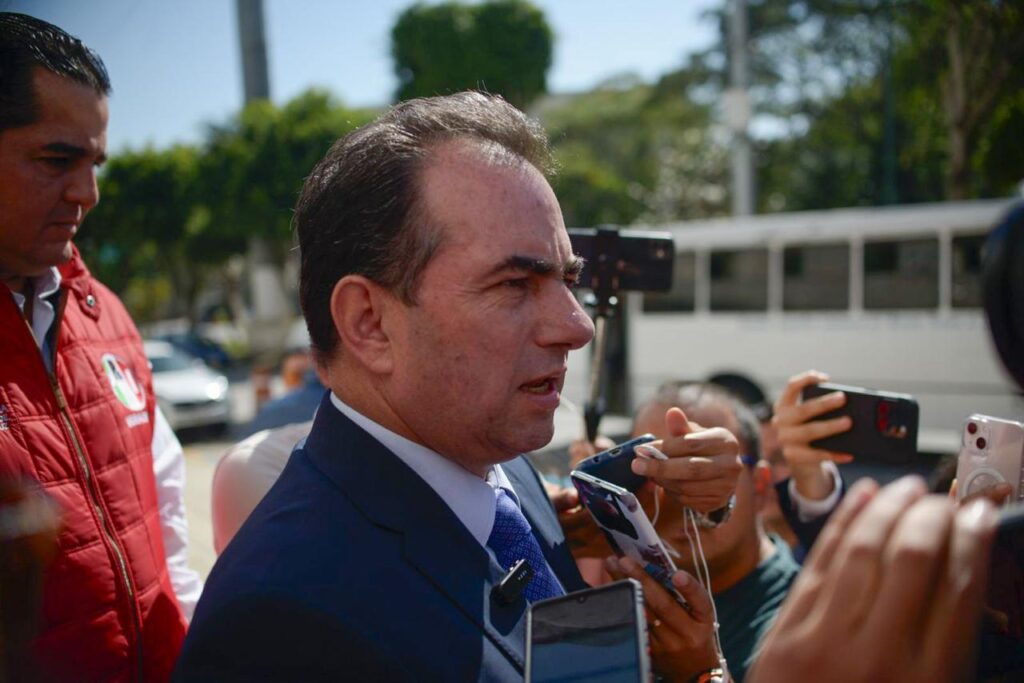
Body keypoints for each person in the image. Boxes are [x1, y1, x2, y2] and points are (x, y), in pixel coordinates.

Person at [175, 91, 741, 682]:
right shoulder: (280, 623)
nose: (578, 327)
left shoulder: (496, 460)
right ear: (369, 323)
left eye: (569, 280)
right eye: (515, 284)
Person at [0, 13, 200, 681]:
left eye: (95, 164)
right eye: (57, 160)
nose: (87, 194)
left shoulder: (107, 315)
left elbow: (166, 526)